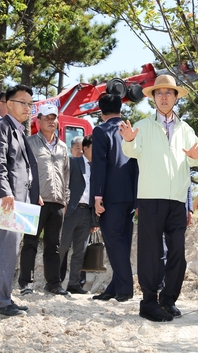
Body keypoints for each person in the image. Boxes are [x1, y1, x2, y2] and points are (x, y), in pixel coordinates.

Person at [120, 74, 198, 322]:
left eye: (169, 93)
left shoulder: (186, 129)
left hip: (177, 200)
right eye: (159, 93)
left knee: (177, 252)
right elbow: (132, 151)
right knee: (150, 251)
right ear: (153, 98)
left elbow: (196, 158)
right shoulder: (144, 126)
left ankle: (168, 300)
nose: (164, 97)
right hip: (150, 198)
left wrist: (192, 156)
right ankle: (148, 302)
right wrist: (129, 140)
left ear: (176, 97)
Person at [0, 84, 39, 317]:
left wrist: (35, 193)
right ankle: (0, 302)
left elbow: (24, 167)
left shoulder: (19, 130)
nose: (27, 108)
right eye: (22, 103)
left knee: (11, 249)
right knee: (4, 247)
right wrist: (5, 192)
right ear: (8, 103)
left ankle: (4, 296)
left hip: (21, 197)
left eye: (30, 104)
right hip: (9, 198)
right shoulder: (1, 127)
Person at [90, 94, 138, 303]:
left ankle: (125, 289)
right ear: (121, 108)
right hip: (132, 194)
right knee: (123, 241)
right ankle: (115, 286)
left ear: (101, 111)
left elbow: (99, 165)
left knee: (114, 242)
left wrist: (97, 196)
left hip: (111, 195)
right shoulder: (130, 129)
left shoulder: (101, 131)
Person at [19, 103, 70, 296]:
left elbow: (66, 175)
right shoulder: (29, 143)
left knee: (54, 246)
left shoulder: (63, 147)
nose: (51, 121)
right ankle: (26, 284)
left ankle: (54, 284)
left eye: (53, 117)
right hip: (35, 202)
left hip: (57, 203)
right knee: (30, 243)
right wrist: (31, 193)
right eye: (47, 117)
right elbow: (23, 172)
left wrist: (65, 199)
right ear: (38, 120)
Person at [59, 135, 98, 294]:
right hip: (71, 212)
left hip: (87, 213)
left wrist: (95, 221)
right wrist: (64, 203)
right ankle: (54, 282)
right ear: (86, 148)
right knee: (61, 248)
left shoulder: (98, 168)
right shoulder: (73, 162)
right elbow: (63, 183)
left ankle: (74, 284)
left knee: (80, 251)